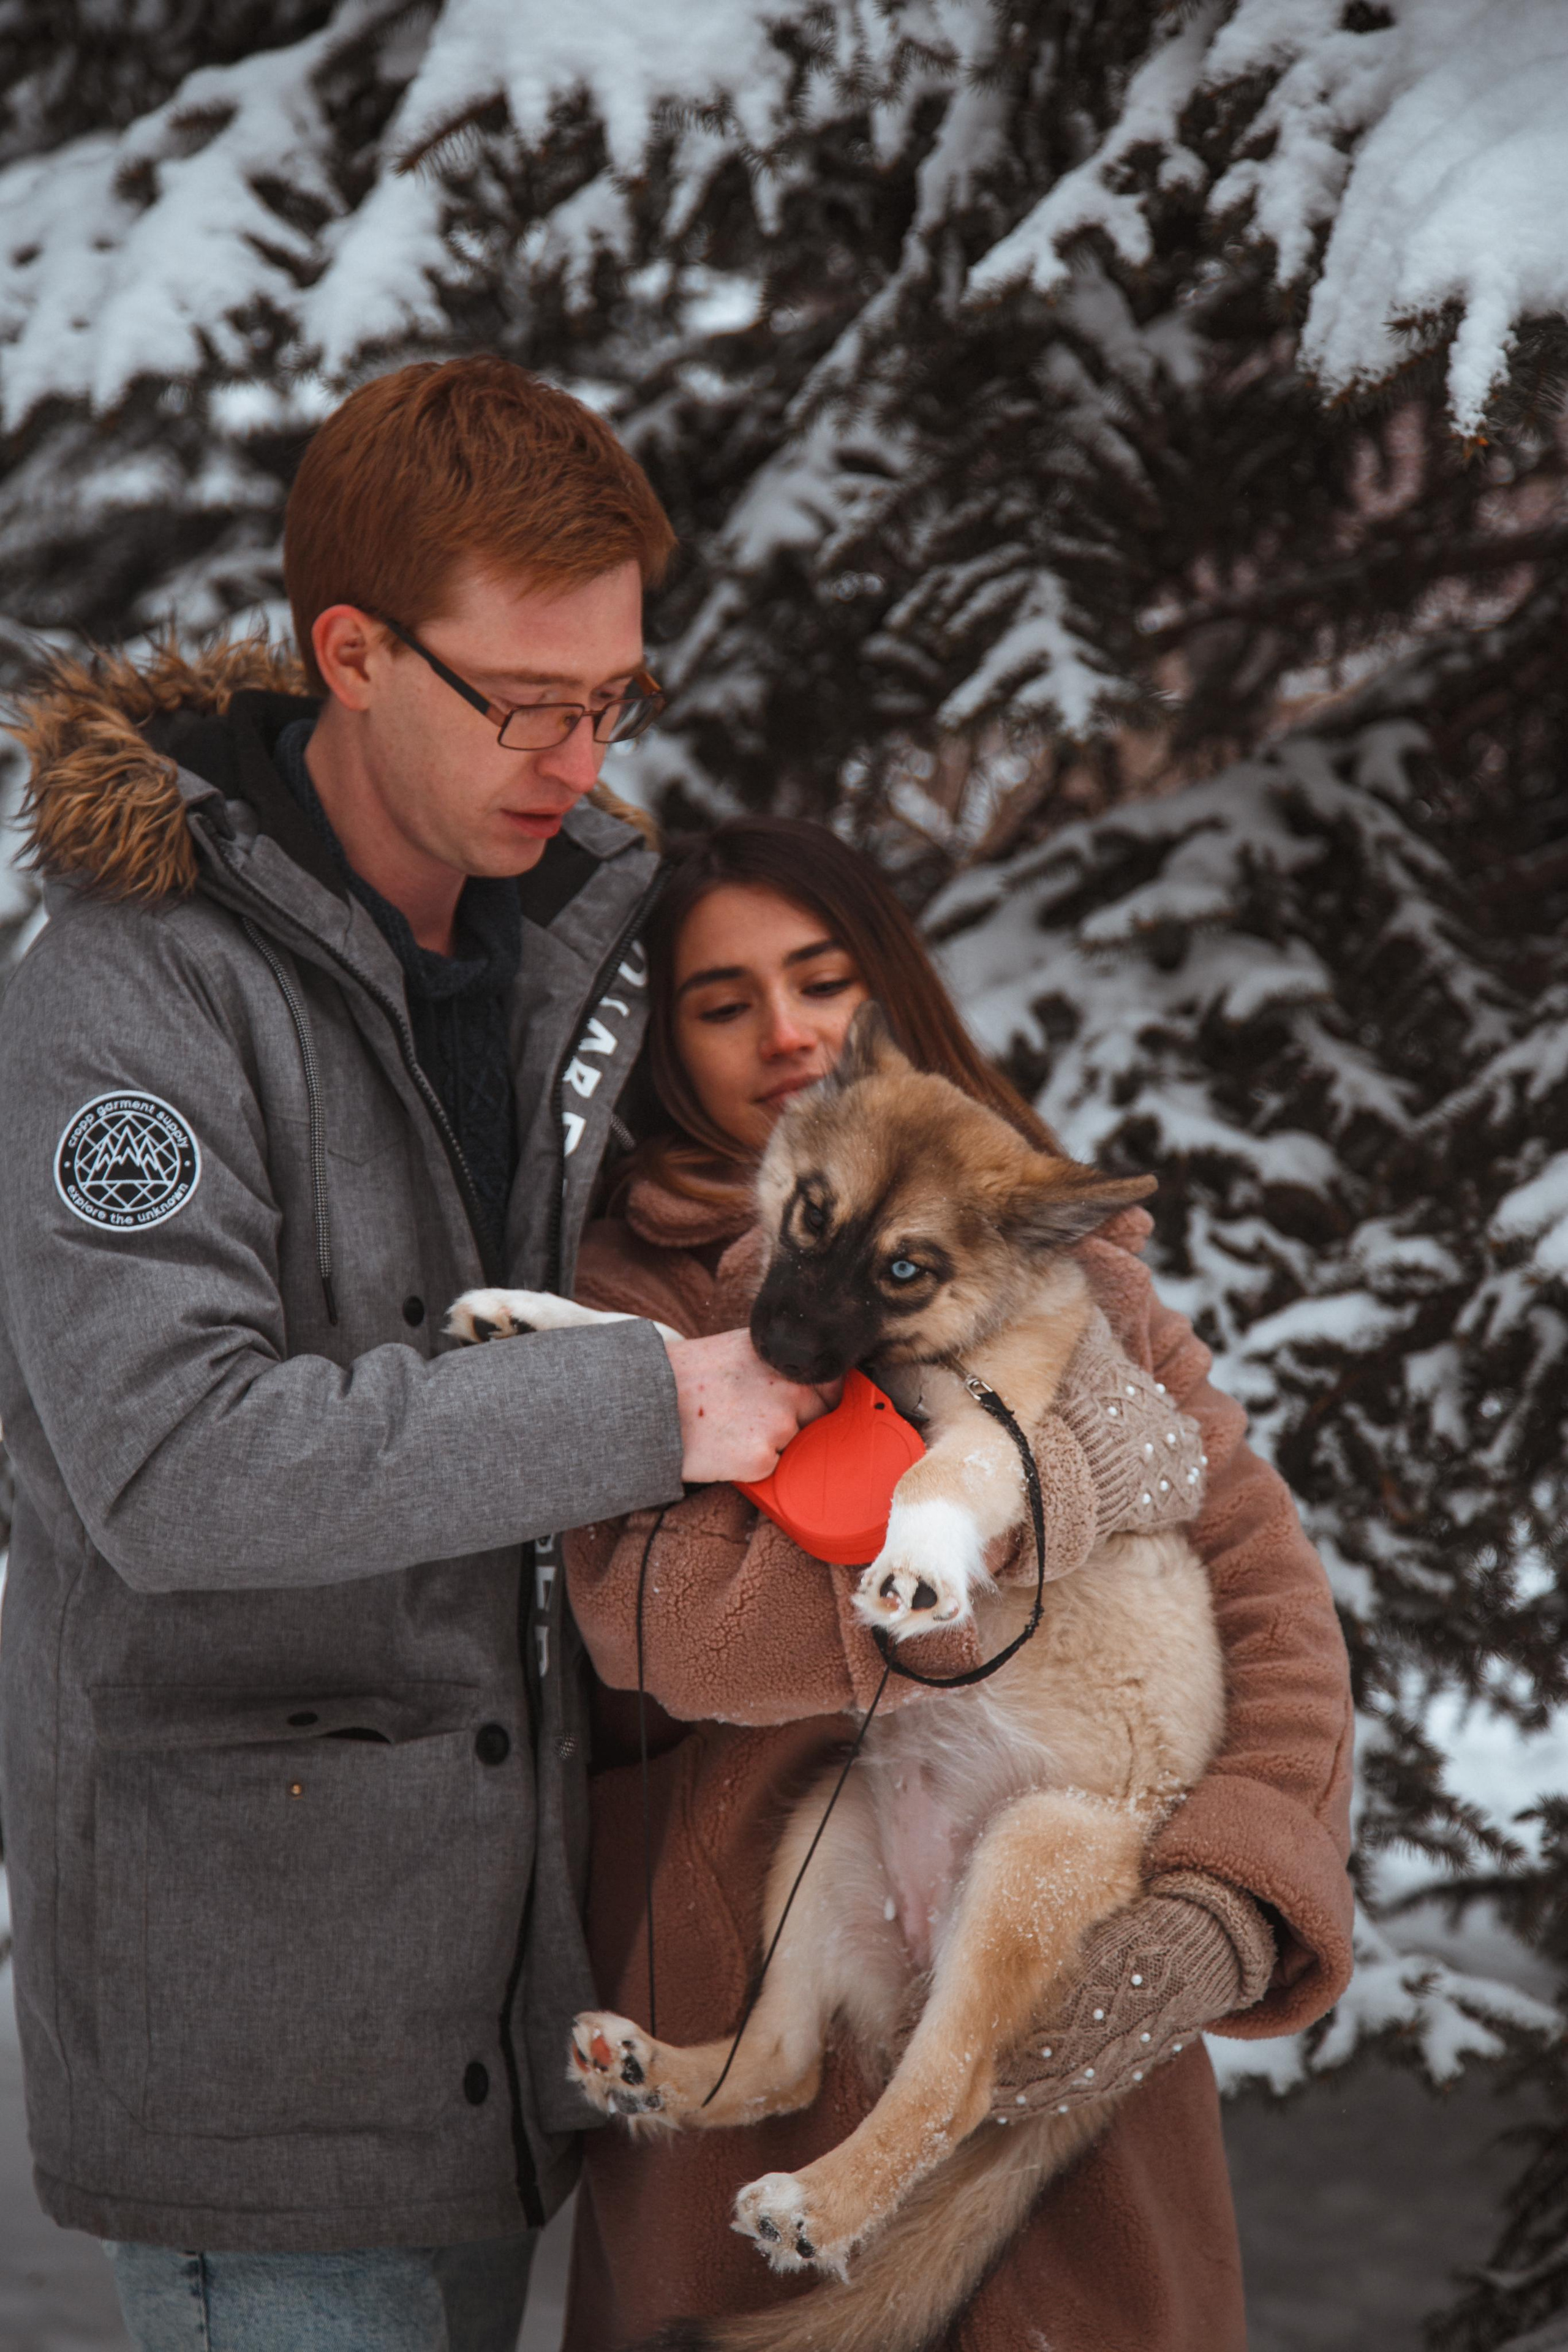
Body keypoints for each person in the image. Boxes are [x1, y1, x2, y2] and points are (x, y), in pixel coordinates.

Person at [0, 361, 832, 2352]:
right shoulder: (132, 994)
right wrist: (664, 1402)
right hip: (267, 2045)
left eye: (612, 698)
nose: (576, 752)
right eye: (522, 701)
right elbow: (178, 1462)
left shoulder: (579, 947)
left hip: (521, 2013)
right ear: (352, 653)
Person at [559, 817, 1358, 2352]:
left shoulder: (1086, 1272)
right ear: (658, 1044)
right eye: (721, 1004)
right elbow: (675, 1624)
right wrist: (1062, 1489)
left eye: (821, 982)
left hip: (1076, 2044)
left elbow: (1270, 1609)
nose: (786, 1034)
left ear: (890, 998)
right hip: (770, 1967)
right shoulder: (627, 1287)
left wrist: (1230, 1898)